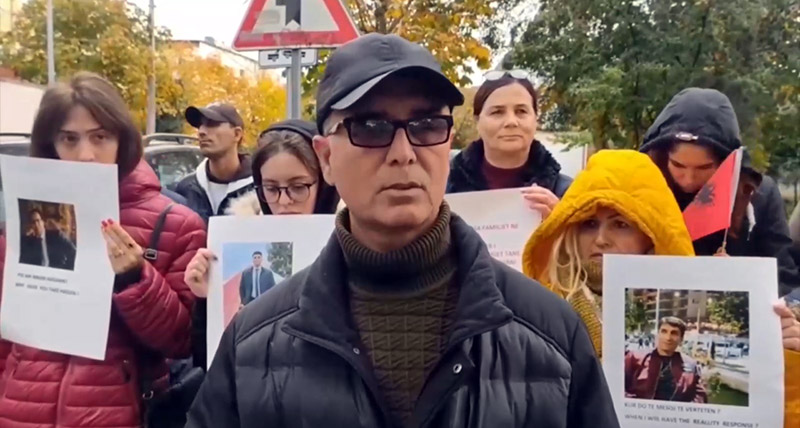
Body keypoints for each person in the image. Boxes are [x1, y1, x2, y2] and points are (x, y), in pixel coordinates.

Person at [186, 33, 618, 428]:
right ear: (326, 158)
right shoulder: (253, 343)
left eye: (427, 125)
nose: (403, 153)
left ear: (449, 143)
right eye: (370, 127)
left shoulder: (552, 334)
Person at [522, 150, 800, 424]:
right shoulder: (537, 309)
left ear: (651, 234)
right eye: (588, 224)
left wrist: (783, 360)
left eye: (621, 224)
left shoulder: (693, 351)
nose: (602, 239)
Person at [0, 72, 205, 427]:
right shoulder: (27, 213)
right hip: (21, 411)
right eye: (69, 139)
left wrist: (135, 279)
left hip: (118, 413)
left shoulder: (174, 224)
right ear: (50, 144)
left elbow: (182, 341)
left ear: (122, 140)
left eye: (100, 137)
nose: (85, 155)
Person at [184, 119, 339, 370]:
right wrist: (206, 299)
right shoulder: (239, 236)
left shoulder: (354, 239)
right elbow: (211, 362)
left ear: (322, 183)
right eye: (271, 188)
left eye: (298, 187)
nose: (284, 201)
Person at [640, 87, 800, 295]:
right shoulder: (641, 192)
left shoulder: (760, 195)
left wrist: (740, 278)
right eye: (678, 166)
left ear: (727, 162)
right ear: (662, 158)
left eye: (704, 168)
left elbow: (786, 281)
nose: (688, 179)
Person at [446, 70, 572, 218]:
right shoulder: (443, 190)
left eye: (521, 111)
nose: (511, 122)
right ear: (477, 121)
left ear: (536, 119)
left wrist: (562, 225)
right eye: (497, 112)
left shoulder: (567, 194)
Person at [175, 102, 254, 224]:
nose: (201, 131)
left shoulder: (260, 188)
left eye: (212, 124)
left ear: (237, 134)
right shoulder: (185, 189)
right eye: (200, 125)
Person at [624, 317, 706, 402]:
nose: (668, 338)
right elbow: (617, 387)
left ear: (681, 339)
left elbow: (700, 397)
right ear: (657, 334)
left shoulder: (691, 366)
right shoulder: (635, 358)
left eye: (674, 333)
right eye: (664, 331)